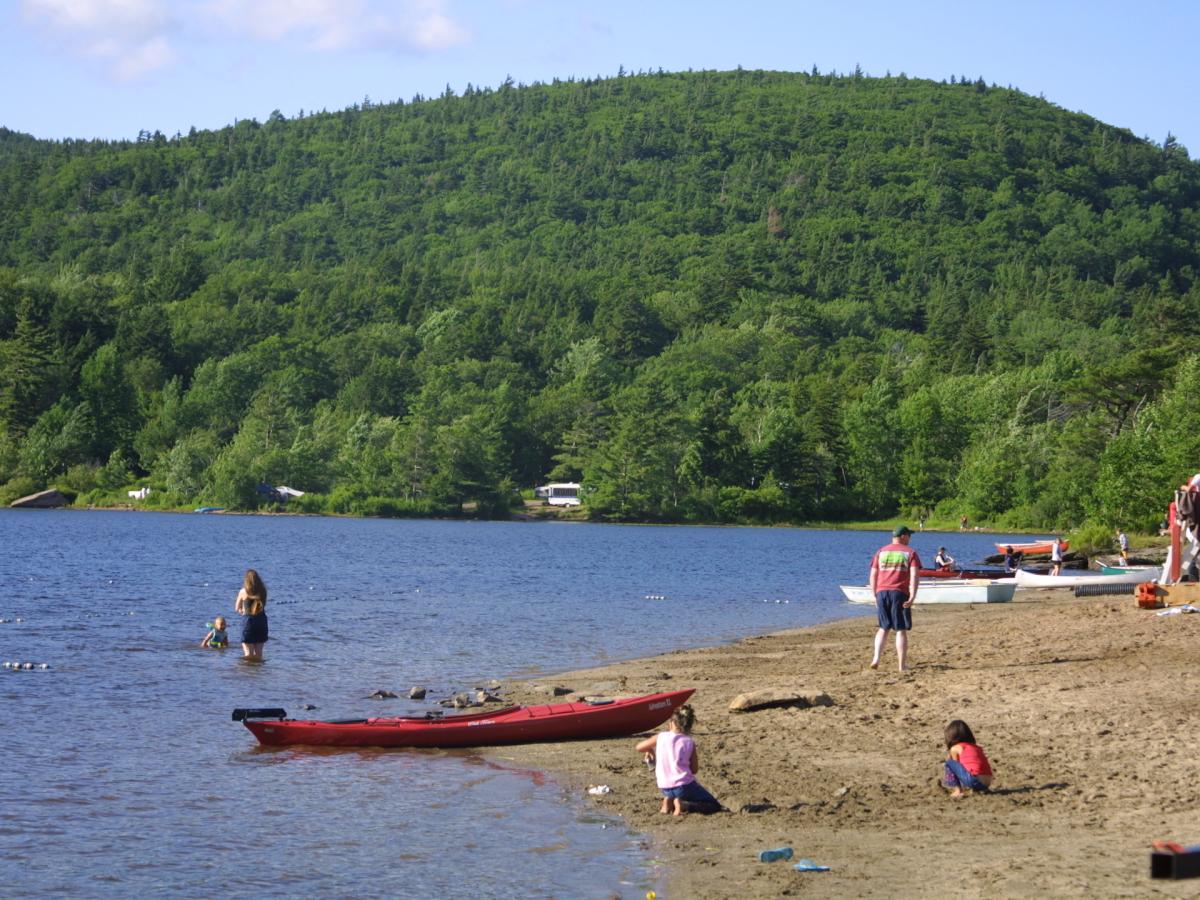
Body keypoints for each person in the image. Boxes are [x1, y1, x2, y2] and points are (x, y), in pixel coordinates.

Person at [634, 705, 720, 816]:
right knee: (713, 805)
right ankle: (683, 805)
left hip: (664, 787)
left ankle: (668, 801)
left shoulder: (660, 737)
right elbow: (694, 770)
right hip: (684, 786)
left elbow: (638, 747)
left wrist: (650, 750)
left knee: (676, 793)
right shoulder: (689, 741)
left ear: (671, 724)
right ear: (689, 726)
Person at [868, 525, 921, 672]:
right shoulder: (910, 553)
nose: (910, 538)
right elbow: (915, 576)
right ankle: (901, 666)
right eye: (909, 535)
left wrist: (875, 595)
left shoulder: (881, 552)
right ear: (903, 536)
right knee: (900, 630)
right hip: (899, 592)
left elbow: (873, 575)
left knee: (883, 628)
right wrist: (912, 596)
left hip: (882, 592)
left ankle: (876, 658)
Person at [942, 719, 993, 798]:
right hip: (988, 781)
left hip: (975, 781)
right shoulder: (976, 747)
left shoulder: (955, 748)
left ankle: (958, 791)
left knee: (949, 763)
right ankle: (981, 789)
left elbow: (956, 770)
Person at [235, 569, 269, 659]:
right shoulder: (263, 590)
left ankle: (248, 672)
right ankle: (258, 671)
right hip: (261, 620)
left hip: (248, 621)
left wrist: (242, 610)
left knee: (248, 653)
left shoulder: (243, 591)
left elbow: (237, 608)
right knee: (259, 653)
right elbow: (263, 605)